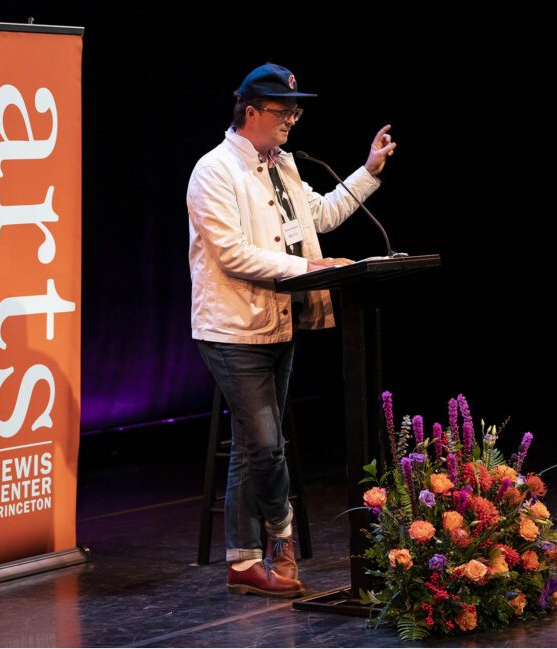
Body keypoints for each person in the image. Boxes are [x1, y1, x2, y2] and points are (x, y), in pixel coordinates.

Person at [187, 62, 396, 597]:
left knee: (253, 447)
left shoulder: (282, 167)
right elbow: (233, 255)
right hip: (232, 328)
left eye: (295, 111)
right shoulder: (214, 171)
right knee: (266, 445)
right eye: (283, 111)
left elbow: (318, 218)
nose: (291, 120)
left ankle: (241, 562)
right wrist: (310, 270)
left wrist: (368, 171)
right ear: (250, 111)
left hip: (279, 323)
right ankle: (279, 542)